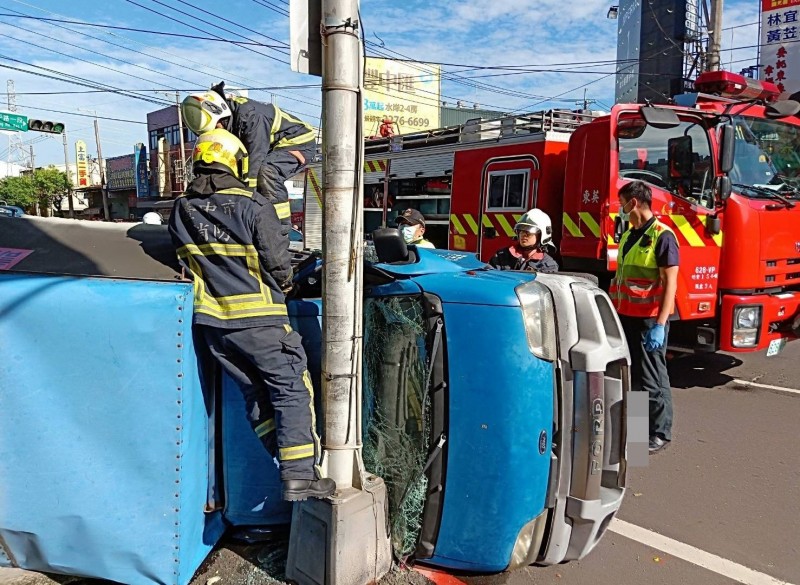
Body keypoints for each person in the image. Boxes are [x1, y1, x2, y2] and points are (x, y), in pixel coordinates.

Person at [168, 128, 335, 501]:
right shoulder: (252, 204)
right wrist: (286, 282)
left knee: (255, 396)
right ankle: (300, 476)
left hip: (214, 328)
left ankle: (285, 460)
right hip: (261, 321)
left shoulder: (181, 209)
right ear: (235, 162)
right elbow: (279, 264)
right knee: (292, 391)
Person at [181, 82, 317, 240]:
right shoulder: (231, 119)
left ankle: (279, 229)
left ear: (221, 114)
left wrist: (245, 204)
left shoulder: (251, 117)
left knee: (266, 172)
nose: (218, 132)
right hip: (273, 146)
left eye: (217, 127)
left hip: (298, 142)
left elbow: (253, 163)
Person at [609, 181, 679, 454]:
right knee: (635, 376)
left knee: (653, 377)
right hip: (627, 315)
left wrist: (660, 325)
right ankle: (638, 435)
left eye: (622, 203)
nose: (621, 209)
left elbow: (670, 283)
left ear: (634, 203)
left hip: (650, 320)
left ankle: (660, 432)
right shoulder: (629, 235)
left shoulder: (663, 236)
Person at [489, 208, 559, 273]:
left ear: (541, 235)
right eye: (521, 231)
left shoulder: (549, 266)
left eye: (528, 232)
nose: (523, 235)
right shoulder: (501, 256)